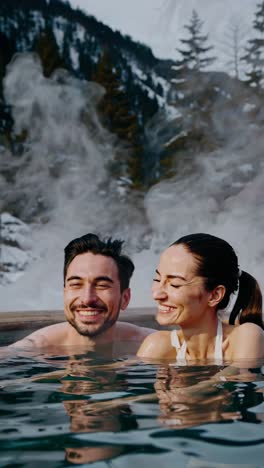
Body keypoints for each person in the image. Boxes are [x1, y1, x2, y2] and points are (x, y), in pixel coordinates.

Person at [10, 233, 153, 351]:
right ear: (65, 292)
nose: (87, 299)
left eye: (102, 285)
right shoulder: (32, 350)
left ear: (125, 298)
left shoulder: (150, 345)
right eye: (76, 284)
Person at [137, 233, 264, 362]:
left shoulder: (245, 337)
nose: (157, 295)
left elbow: (241, 376)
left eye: (175, 285)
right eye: (157, 279)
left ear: (215, 295)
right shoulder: (158, 345)